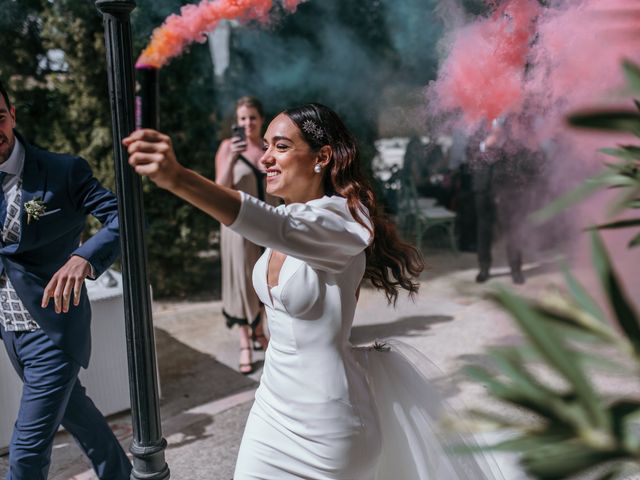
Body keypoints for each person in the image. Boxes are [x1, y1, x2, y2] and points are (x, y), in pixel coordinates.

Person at [124, 103, 503, 479]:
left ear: (322, 156)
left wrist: (177, 178)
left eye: (281, 147)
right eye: (267, 146)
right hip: (270, 411)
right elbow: (276, 230)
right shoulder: (287, 216)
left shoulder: (344, 220)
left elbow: (272, 227)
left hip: (329, 428)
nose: (266, 158)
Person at [0, 79, 131, 479]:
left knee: (26, 450)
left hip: (53, 329)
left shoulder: (62, 170)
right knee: (79, 416)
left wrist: (84, 258)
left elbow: (121, 216)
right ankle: (119, 474)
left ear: (12, 116)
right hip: (11, 331)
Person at [215, 96, 269, 374]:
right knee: (242, 282)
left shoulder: (269, 146)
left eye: (252, 117)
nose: (248, 123)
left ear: (261, 119)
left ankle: (260, 330)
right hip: (238, 225)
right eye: (242, 119)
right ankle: (246, 342)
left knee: (266, 279)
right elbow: (219, 187)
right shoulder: (227, 147)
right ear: (236, 122)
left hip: (269, 224)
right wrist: (234, 157)